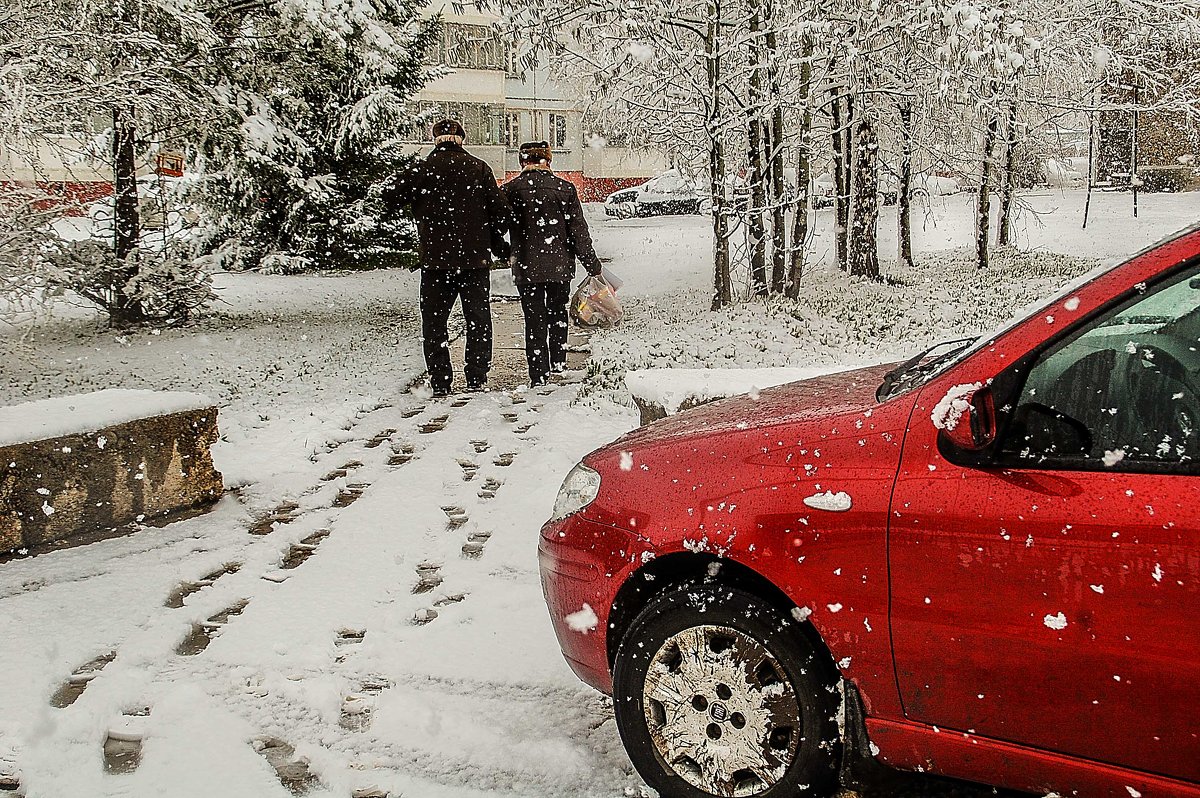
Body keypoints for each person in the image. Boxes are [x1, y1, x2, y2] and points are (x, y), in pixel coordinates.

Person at [384, 119, 510, 397]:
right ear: (461, 139)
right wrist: (491, 239)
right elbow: (502, 213)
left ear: (436, 139)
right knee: (478, 319)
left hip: (435, 261)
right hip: (474, 261)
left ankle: (441, 380)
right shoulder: (479, 168)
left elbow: (390, 197)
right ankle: (477, 377)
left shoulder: (422, 169)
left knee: (434, 323)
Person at [501, 141, 603, 387]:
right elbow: (579, 232)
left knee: (533, 318)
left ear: (522, 161)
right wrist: (592, 265)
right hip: (559, 267)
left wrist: (505, 251)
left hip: (526, 267)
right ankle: (558, 363)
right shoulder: (564, 189)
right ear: (549, 160)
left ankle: (538, 373)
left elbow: (496, 226)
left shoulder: (511, 190)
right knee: (557, 313)